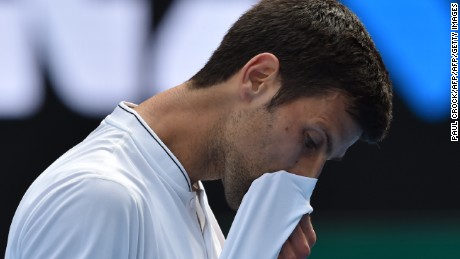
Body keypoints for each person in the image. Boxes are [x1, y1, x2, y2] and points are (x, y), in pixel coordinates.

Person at [6, 0, 392, 258]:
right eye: (311, 141)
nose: (307, 177)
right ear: (258, 78)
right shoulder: (98, 196)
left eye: (326, 158)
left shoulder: (185, 200)